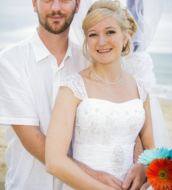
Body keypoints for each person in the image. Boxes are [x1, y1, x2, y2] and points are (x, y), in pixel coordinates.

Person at [0, 0, 150, 189]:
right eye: (47, 0)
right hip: (31, 182)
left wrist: (141, 159)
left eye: (64, 0)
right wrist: (92, 175)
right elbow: (30, 137)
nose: (56, 8)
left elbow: (121, 112)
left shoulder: (92, 58)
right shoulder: (10, 61)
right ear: (34, 4)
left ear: (77, 5)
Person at [45, 1, 156, 190]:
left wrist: (145, 167)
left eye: (110, 32)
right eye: (93, 35)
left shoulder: (140, 89)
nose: (101, 41)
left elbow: (151, 149)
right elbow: (54, 162)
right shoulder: (72, 88)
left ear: (126, 37)